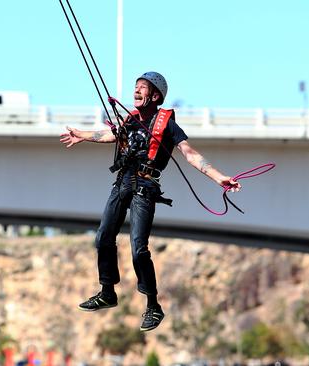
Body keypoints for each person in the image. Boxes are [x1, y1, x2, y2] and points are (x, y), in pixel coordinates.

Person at [59, 72, 241, 331]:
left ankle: (153, 305)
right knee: (102, 238)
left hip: (145, 186)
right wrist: (82, 135)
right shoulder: (130, 119)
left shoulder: (167, 124)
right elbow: (112, 136)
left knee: (138, 250)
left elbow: (190, 154)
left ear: (155, 96)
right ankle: (107, 291)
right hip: (122, 181)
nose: (136, 91)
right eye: (135, 87)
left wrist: (219, 177)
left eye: (142, 88)